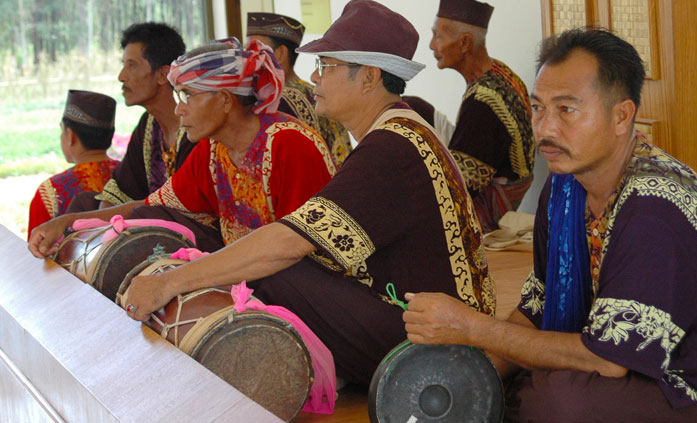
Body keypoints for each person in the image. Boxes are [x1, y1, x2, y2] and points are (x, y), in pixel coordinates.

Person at [99, 0, 496, 386]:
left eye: (327, 66)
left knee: (275, 264)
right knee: (253, 255)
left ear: (370, 77)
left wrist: (170, 283)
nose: (315, 77)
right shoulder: (394, 133)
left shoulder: (390, 145)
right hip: (410, 318)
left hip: (434, 343)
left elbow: (288, 244)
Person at [403, 28, 697, 422]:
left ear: (622, 115)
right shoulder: (566, 187)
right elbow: (539, 304)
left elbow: (608, 360)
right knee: (512, 381)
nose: (545, 129)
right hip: (629, 369)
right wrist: (480, 373)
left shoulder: (656, 208)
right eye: (538, 108)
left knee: (559, 401)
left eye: (566, 110)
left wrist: (471, 328)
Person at [29, 38, 335, 253]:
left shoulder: (289, 145)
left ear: (225, 100)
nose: (179, 109)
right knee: (155, 220)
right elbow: (152, 207)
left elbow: (293, 250)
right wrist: (68, 223)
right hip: (248, 269)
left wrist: (187, 277)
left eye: (188, 95)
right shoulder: (212, 150)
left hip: (302, 281)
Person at [430, 0, 536, 233]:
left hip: (487, 213)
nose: (431, 45)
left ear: (465, 43)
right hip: (493, 178)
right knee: (414, 109)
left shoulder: (483, 104)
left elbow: (459, 190)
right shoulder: (500, 71)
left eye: (438, 37)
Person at [91, 23, 196, 208]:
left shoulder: (196, 126)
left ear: (163, 74)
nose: (122, 76)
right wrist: (101, 229)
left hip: (190, 232)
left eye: (132, 65)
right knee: (84, 202)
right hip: (153, 224)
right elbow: (119, 191)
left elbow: (177, 206)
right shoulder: (149, 124)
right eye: (124, 65)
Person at [245, 12, 352, 167]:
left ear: (280, 54)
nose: (248, 59)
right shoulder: (318, 91)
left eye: (255, 51)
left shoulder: (276, 101)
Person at [27, 90, 119, 238]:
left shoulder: (50, 191)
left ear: (70, 136)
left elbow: (36, 252)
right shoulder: (130, 175)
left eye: (61, 130)